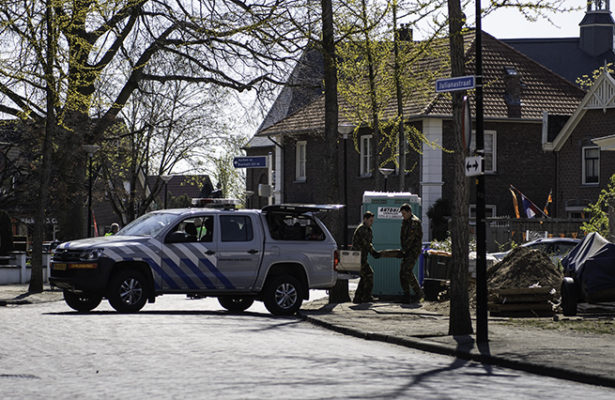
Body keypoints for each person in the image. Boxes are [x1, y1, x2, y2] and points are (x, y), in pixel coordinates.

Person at [352, 211, 381, 304]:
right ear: (365, 219)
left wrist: (373, 252)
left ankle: (358, 297)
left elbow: (369, 244)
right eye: (370, 220)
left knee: (365, 276)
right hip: (358, 258)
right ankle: (366, 297)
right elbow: (366, 244)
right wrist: (374, 253)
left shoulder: (368, 229)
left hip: (362, 257)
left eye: (372, 221)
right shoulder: (362, 229)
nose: (371, 222)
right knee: (369, 274)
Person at [399, 203, 424, 303]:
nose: (403, 215)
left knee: (407, 271)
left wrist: (404, 250)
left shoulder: (414, 222)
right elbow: (403, 237)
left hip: (413, 251)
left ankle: (419, 293)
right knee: (402, 273)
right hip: (407, 250)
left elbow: (410, 239)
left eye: (404, 213)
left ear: (409, 212)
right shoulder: (405, 221)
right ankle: (407, 295)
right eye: (402, 214)